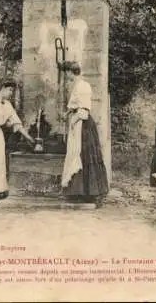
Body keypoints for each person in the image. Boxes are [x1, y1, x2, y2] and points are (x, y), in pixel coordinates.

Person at [61, 61, 109, 206]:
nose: (65, 76)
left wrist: (73, 123)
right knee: (77, 154)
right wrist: (67, 113)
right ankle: (78, 191)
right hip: (78, 122)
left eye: (66, 73)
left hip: (83, 125)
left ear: (70, 71)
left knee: (83, 155)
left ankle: (91, 193)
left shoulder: (83, 86)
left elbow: (84, 111)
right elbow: (75, 105)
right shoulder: (77, 86)